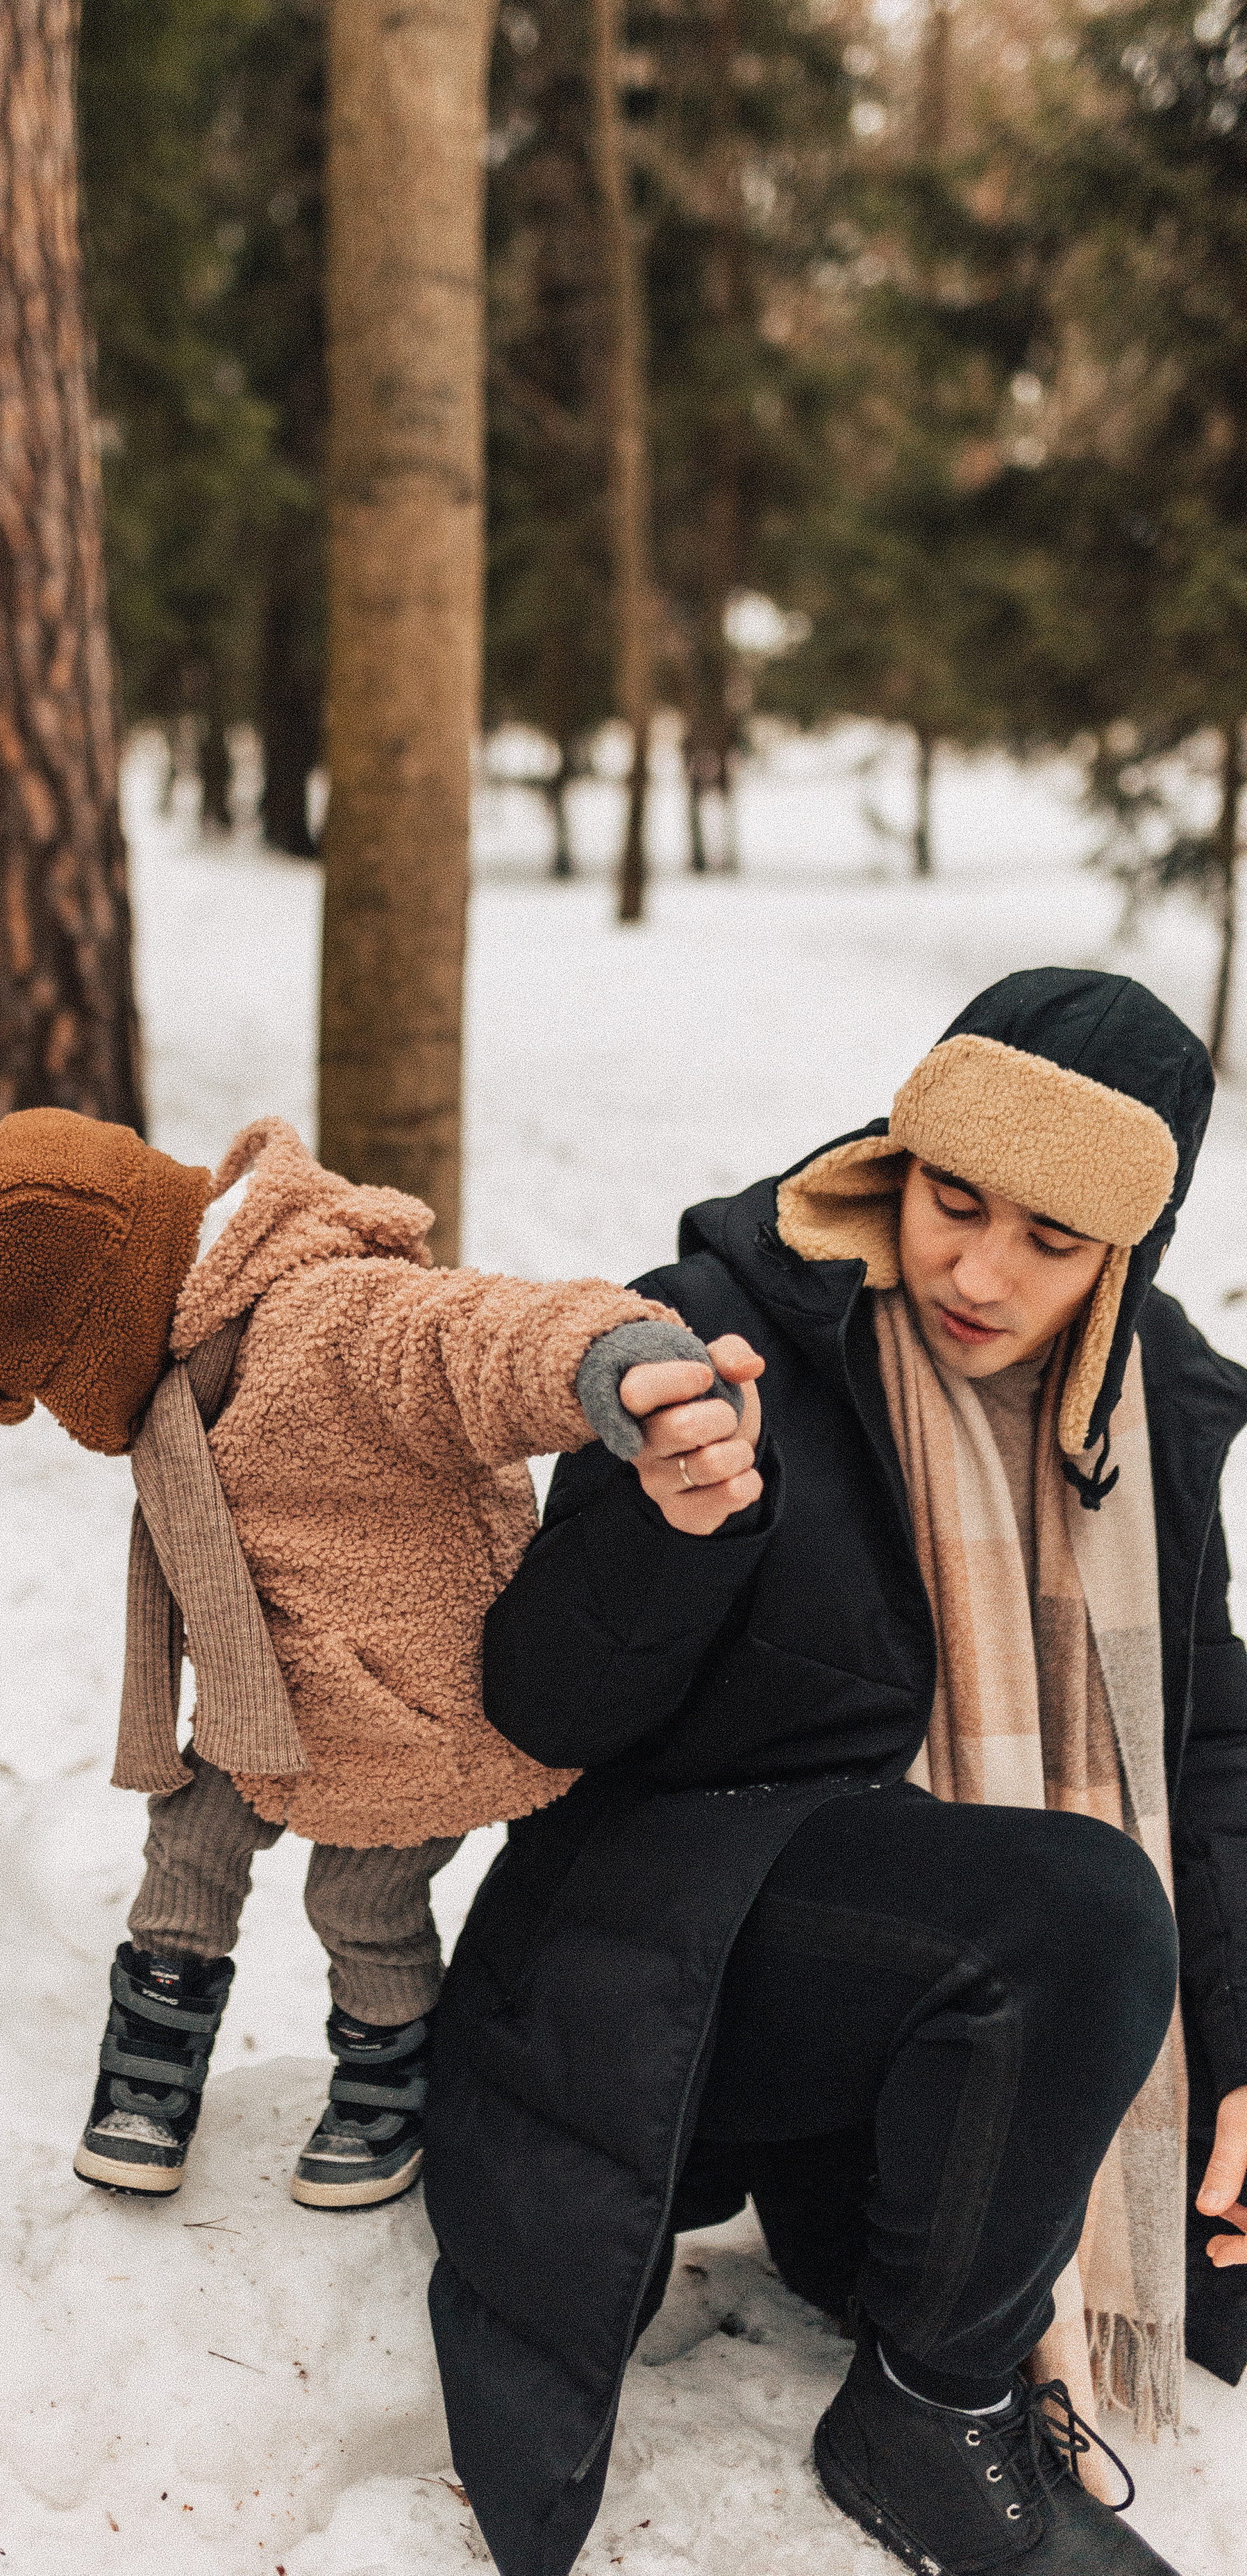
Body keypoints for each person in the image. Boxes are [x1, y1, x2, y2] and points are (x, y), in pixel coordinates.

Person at [424, 968, 1247, 2576]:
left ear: (1124, 1255)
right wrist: (668, 1531)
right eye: (951, 1200)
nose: (976, 1269)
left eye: (1050, 1242)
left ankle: (949, 2232)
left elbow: (1206, 1746)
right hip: (688, 1972)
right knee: (1077, 1910)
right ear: (899, 1156)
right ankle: (927, 2418)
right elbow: (538, 1708)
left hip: (931, 2036)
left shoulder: (1141, 1416)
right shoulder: (729, 1331)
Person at [0, 1105, 714, 2210]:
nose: (68, 1416)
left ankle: (389, 2086)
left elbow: (461, 1337)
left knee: (358, 1899)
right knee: (188, 1841)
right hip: (270, 1696)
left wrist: (600, 1357)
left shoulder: (324, 1317)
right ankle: (148, 2079)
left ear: (104, 1319)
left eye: (55, 1384)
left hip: (410, 1708)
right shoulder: (197, 1368)